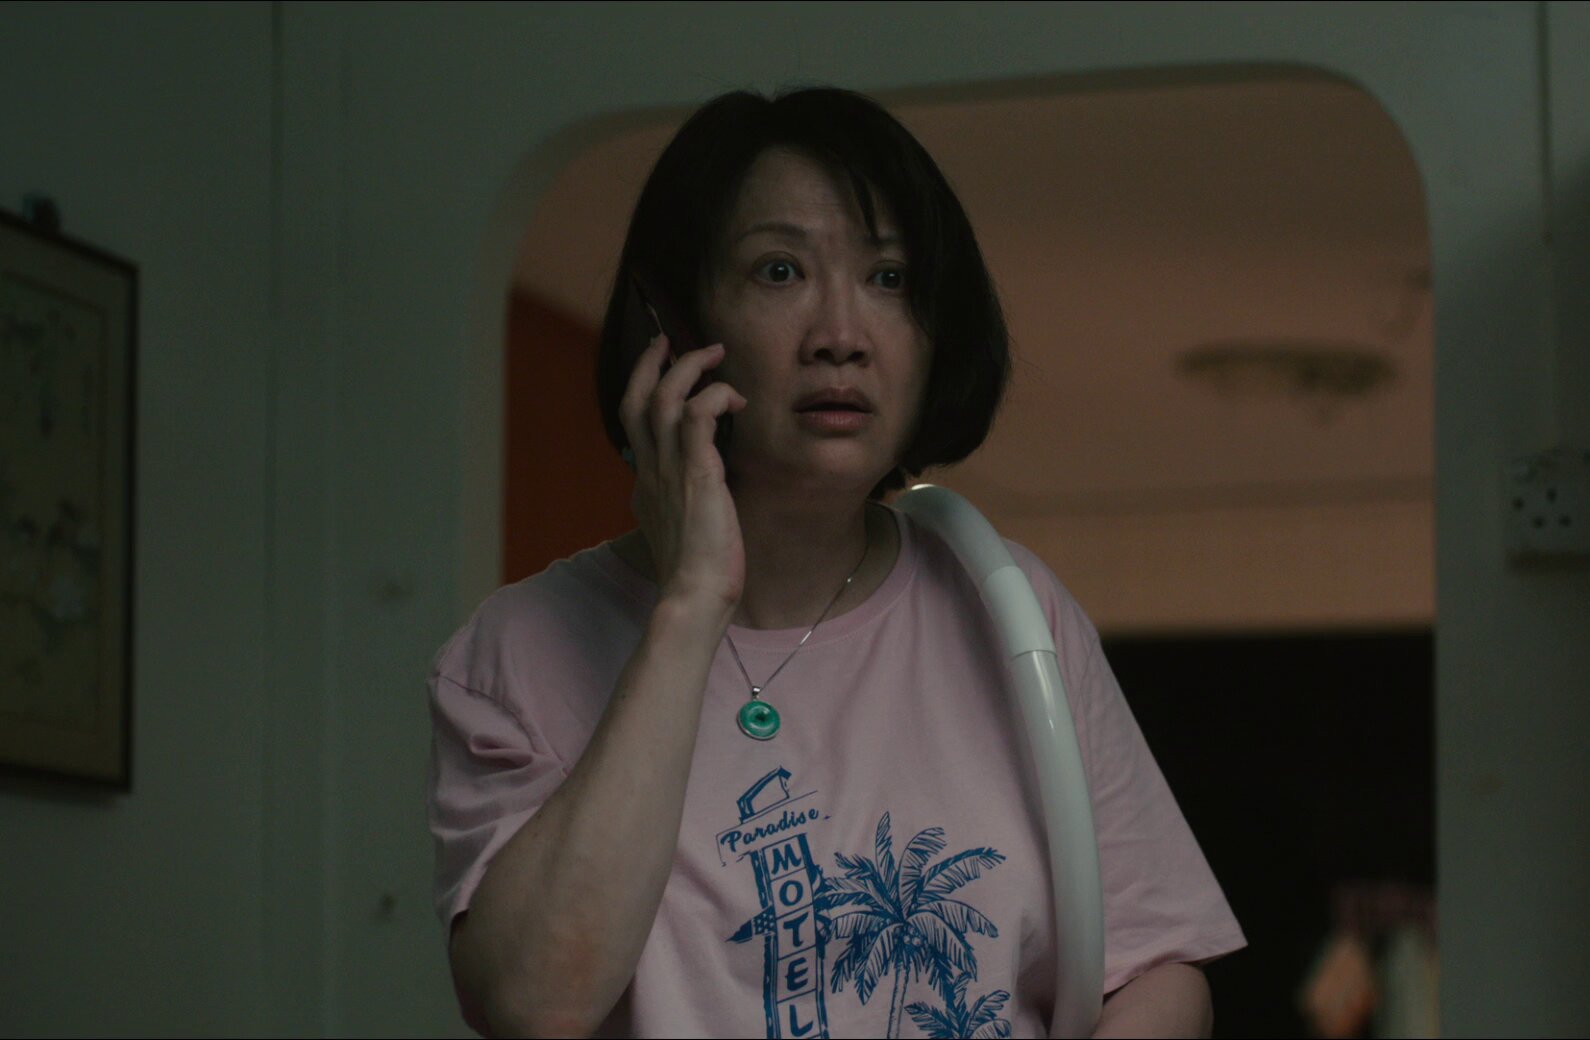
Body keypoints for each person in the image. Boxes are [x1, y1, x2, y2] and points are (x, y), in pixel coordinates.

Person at [428, 86, 1245, 1039]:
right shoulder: (516, 651)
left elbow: (1157, 969)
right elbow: (534, 1004)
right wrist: (692, 603)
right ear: (672, 324)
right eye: (779, 271)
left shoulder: (1013, 608)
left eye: (889, 278)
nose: (841, 337)